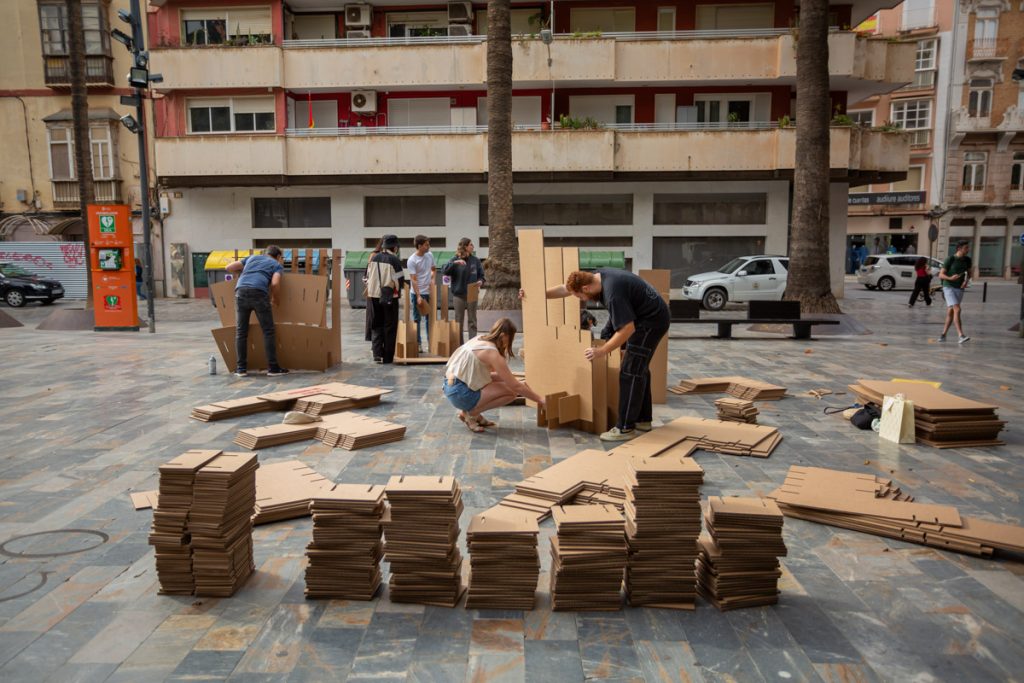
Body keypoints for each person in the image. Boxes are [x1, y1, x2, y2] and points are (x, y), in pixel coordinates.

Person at [534, 269, 671, 442]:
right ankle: (642, 420)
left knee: (630, 370)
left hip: (651, 321)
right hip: (642, 313)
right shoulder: (596, 277)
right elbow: (564, 289)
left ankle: (625, 428)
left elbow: (627, 329)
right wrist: (537, 294)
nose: (580, 301)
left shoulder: (613, 295)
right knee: (633, 361)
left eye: (579, 297)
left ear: (585, 289)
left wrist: (602, 351)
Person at [442, 318, 545, 433]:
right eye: (510, 338)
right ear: (503, 335)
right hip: (460, 393)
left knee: (508, 383)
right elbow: (514, 386)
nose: (509, 342)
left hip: (450, 387)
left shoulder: (480, 339)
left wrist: (516, 382)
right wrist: (540, 400)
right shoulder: (493, 354)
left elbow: (489, 375)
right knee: (511, 392)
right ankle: (470, 414)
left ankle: (474, 413)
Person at [225, 245, 288, 377]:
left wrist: (245, 273)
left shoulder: (252, 258)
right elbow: (275, 283)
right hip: (259, 293)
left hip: (240, 292)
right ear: (278, 257)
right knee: (268, 331)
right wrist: (276, 299)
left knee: (241, 332)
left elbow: (229, 268)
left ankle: (241, 369)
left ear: (265, 253)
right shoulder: (276, 265)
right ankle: (273, 368)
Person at [366, 234, 405, 363]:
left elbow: (366, 277)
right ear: (394, 247)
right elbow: (399, 280)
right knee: (390, 326)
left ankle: (377, 354)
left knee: (376, 324)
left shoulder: (374, 258)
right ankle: (388, 357)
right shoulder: (394, 260)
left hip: (373, 296)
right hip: (389, 297)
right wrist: (397, 292)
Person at [441, 237, 484, 344]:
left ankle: (472, 343)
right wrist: (455, 262)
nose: (472, 246)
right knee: (458, 320)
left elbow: (481, 275)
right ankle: (460, 345)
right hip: (459, 294)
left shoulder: (476, 260)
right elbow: (444, 270)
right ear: (465, 247)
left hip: (472, 291)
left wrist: (481, 281)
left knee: (472, 320)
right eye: (470, 245)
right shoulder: (455, 259)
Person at [938, 240, 972, 343]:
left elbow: (969, 273)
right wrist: (950, 278)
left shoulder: (967, 260)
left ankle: (943, 335)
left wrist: (966, 282)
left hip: (959, 288)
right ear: (959, 249)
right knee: (957, 308)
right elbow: (941, 275)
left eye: (968, 247)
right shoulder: (950, 259)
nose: (968, 249)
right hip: (948, 286)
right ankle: (961, 335)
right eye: (966, 248)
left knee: (951, 311)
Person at [406, 235, 435, 353]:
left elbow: (433, 269)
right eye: (426, 245)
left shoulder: (430, 255)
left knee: (430, 318)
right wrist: (418, 296)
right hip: (417, 293)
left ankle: (430, 342)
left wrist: (432, 280)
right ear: (419, 246)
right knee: (417, 319)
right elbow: (413, 279)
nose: (428, 247)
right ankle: (418, 343)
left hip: (428, 292)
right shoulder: (412, 260)